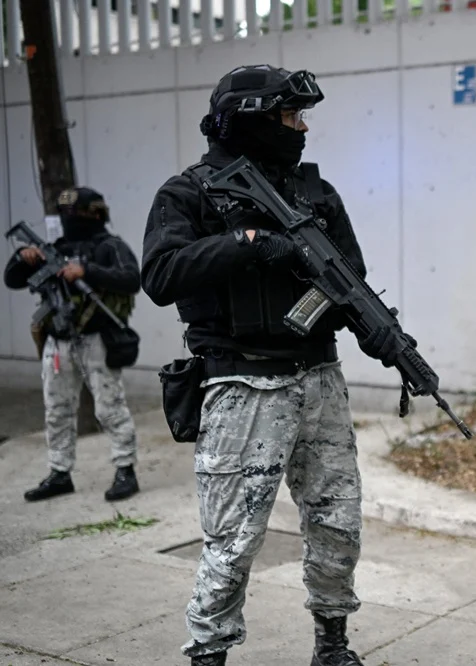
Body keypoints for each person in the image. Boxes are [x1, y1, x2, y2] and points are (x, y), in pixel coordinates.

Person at [142, 64, 398, 666]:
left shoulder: (315, 193)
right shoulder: (188, 193)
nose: (302, 128)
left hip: (319, 379)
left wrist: (377, 332)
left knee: (337, 524)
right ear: (253, 121)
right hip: (243, 384)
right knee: (234, 539)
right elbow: (159, 274)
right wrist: (248, 244)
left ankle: (332, 645)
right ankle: (209, 653)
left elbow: (351, 278)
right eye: (290, 116)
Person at [4, 186, 141, 503]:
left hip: (96, 339)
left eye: (76, 213)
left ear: (95, 214)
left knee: (110, 408)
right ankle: (59, 473)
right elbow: (12, 279)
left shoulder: (110, 247)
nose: (69, 219)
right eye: (65, 213)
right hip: (58, 341)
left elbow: (131, 279)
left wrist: (87, 271)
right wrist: (22, 258)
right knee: (57, 410)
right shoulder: (56, 248)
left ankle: (125, 470)